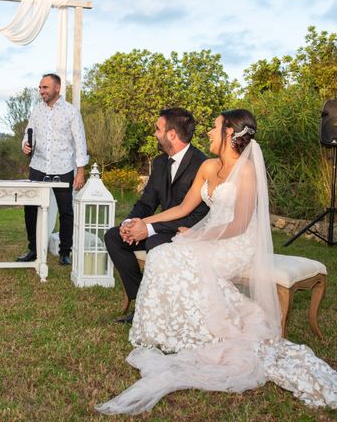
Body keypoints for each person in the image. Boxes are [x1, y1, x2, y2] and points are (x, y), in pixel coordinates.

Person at [96, 109, 337, 415]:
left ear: (228, 134)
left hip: (235, 244)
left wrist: (198, 237)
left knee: (174, 256)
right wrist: (143, 221)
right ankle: (167, 329)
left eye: (214, 127)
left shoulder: (248, 171)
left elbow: (238, 225)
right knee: (163, 254)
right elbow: (183, 207)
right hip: (209, 236)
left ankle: (205, 331)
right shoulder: (210, 167)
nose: (208, 132)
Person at [104, 108, 208, 323]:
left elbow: (197, 216)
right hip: (161, 226)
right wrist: (129, 223)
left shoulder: (202, 164)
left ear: (171, 134)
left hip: (188, 231)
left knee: (156, 244)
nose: (154, 134)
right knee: (113, 237)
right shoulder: (160, 162)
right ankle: (142, 302)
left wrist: (149, 228)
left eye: (158, 129)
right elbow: (147, 202)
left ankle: (161, 308)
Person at [17, 73, 89, 266]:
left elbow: (80, 142)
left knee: (66, 211)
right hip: (38, 166)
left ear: (57, 88)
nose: (41, 91)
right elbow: (28, 134)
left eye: (45, 88)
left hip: (63, 166)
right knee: (30, 208)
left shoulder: (71, 112)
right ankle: (33, 249)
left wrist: (80, 171)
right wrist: (25, 144)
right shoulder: (36, 111)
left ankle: (65, 251)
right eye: (40, 88)